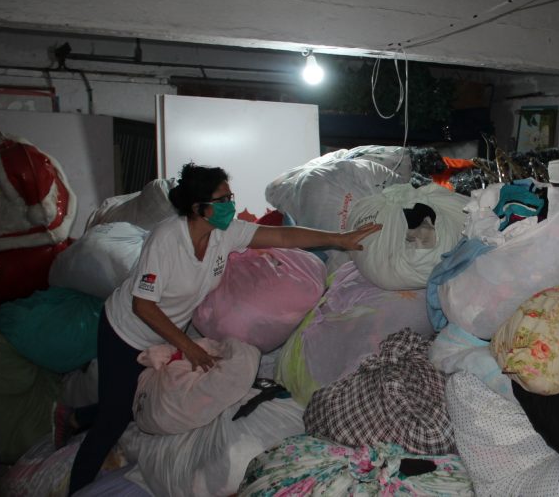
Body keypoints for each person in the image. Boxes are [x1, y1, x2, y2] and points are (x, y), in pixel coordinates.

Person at [64, 163, 381, 494]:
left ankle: (76, 417)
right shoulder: (167, 240)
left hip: (165, 333)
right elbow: (142, 306)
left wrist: (338, 239)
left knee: (133, 400)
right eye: (223, 199)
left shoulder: (224, 232)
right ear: (198, 208)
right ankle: (77, 485)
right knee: (113, 421)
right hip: (125, 333)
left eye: (231, 196)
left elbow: (282, 236)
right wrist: (189, 347)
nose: (231, 205)